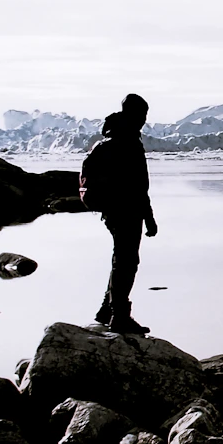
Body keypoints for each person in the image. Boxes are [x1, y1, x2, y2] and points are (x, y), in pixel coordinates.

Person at [79, 93, 158, 334]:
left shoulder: (110, 139)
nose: (144, 119)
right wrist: (149, 217)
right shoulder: (128, 141)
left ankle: (107, 311)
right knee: (126, 262)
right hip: (126, 210)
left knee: (121, 260)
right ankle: (119, 316)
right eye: (143, 114)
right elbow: (137, 185)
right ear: (135, 113)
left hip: (112, 210)